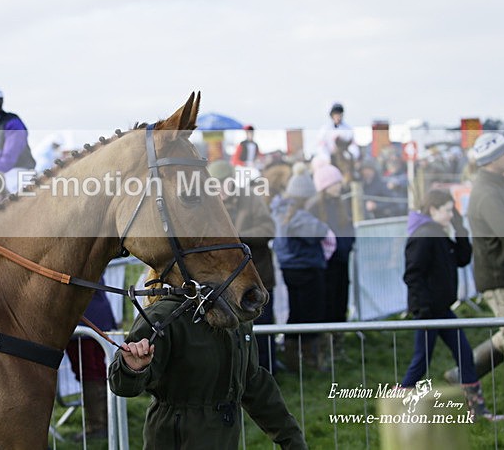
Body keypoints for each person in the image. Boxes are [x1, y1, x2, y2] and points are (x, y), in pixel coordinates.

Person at [108, 270, 307, 450]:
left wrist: (293, 440)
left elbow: (254, 383)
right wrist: (131, 368)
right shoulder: (162, 316)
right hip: (175, 440)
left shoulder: (235, 313)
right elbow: (122, 386)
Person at [401, 189, 503, 421]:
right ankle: (398, 404)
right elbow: (412, 275)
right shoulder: (424, 235)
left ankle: (477, 410)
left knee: (465, 355)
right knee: (420, 362)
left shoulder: (438, 232)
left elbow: (462, 258)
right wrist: (424, 309)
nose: (451, 214)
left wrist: (459, 227)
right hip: (429, 312)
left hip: (442, 310)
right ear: (433, 210)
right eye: (448, 210)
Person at [465, 132, 504, 405]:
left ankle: (463, 372)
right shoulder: (487, 193)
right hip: (500, 274)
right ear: (492, 160)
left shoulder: (497, 187)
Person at [208, 159, 282, 373]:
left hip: (258, 278)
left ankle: (267, 373)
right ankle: (239, 376)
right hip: (224, 285)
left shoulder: (251, 199)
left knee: (262, 331)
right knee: (231, 333)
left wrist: (237, 239)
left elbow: (268, 229)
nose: (221, 188)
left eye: (224, 182)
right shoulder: (210, 206)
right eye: (215, 184)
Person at [271, 168, 331, 372]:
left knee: (295, 312)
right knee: (311, 313)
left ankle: (292, 358)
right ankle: (311, 360)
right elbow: (320, 232)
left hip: (289, 268)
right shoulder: (300, 216)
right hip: (307, 268)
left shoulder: (278, 209)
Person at [307, 164, 355, 354]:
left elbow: (349, 229)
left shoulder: (341, 204)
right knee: (326, 304)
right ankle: (325, 347)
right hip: (325, 265)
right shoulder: (314, 207)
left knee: (340, 302)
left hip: (341, 262)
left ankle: (338, 344)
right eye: (334, 183)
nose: (338, 186)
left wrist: (347, 245)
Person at [65, 284, 117, 440]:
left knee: (90, 372)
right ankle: (106, 422)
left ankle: (97, 426)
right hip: (98, 314)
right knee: (97, 371)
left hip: (84, 317)